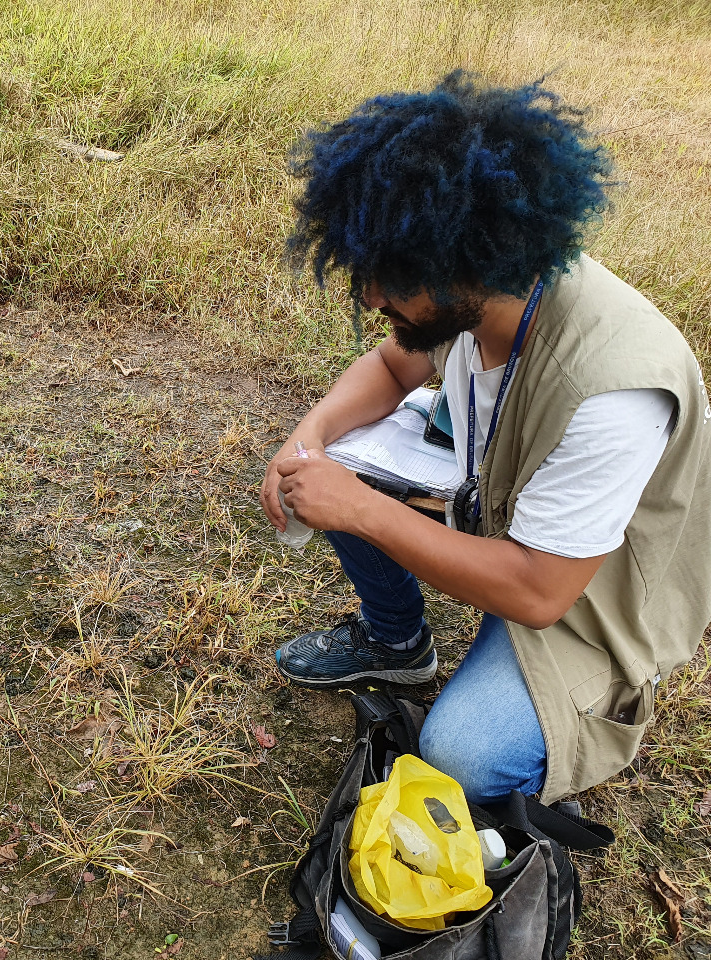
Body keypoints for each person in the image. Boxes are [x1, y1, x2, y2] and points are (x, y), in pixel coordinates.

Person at [260, 72, 711, 803]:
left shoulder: (613, 388)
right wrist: (307, 435)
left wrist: (363, 509)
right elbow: (387, 366)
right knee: (329, 460)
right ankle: (398, 644)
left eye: (392, 279)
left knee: (461, 754)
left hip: (586, 603)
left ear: (466, 262)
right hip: (507, 516)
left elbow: (537, 593)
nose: (372, 298)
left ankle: (579, 712)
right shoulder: (482, 297)